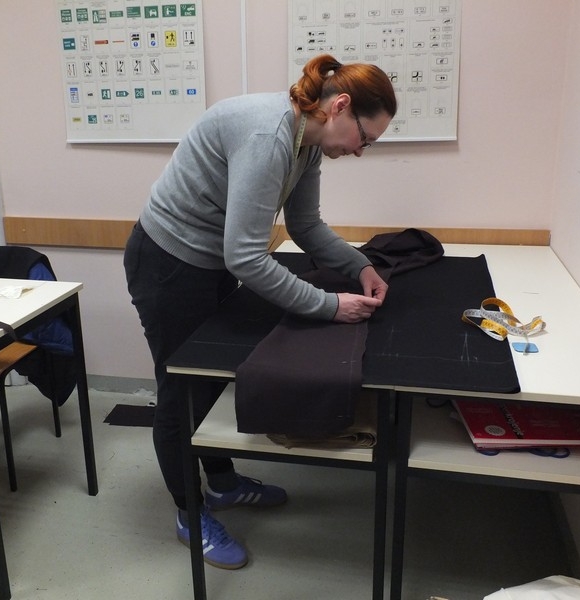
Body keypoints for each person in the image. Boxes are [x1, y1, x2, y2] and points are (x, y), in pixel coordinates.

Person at [124, 53, 397, 570]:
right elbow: (246, 257)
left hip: (208, 261)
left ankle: (223, 484)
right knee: (181, 391)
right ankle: (189, 512)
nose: (361, 151)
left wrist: (360, 266)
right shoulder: (269, 135)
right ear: (340, 106)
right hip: (167, 263)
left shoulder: (306, 141)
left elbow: (305, 225)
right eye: (366, 138)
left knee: (211, 381)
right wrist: (329, 306)